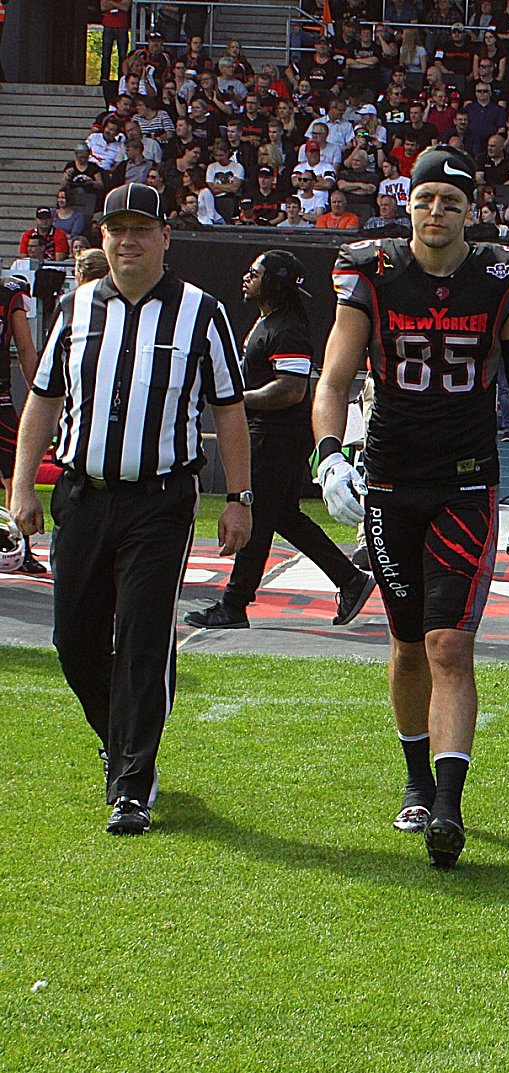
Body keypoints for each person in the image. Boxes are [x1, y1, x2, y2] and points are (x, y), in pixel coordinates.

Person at [313, 146, 509, 869]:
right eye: (425, 200)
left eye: (450, 201)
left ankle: (448, 802)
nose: (436, 211)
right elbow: (334, 377)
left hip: (466, 482)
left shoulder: (502, 279)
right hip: (390, 480)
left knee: (450, 642)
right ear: (408, 205)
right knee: (409, 641)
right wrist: (329, 453)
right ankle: (416, 779)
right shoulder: (374, 274)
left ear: (471, 211)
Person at [7, 182, 253, 836]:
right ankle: (119, 741)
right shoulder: (74, 307)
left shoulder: (202, 312)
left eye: (142, 228)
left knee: (143, 639)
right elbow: (43, 398)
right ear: (102, 238)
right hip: (83, 495)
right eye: (117, 229)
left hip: (159, 500)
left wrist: (239, 497)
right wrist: (22, 485)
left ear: (166, 236)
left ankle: (133, 785)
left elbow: (229, 409)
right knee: (73, 641)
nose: (129, 241)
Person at [184, 251, 375, 630]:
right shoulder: (269, 322)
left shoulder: (287, 329)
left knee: (255, 515)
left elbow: (291, 389)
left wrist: (234, 399)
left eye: (255, 273)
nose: (246, 278)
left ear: (273, 282)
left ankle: (234, 604)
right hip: (275, 433)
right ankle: (350, 580)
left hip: (277, 436)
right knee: (285, 516)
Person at [0, 274, 44, 574]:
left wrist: (40, 395)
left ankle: (19, 545)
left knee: (13, 476)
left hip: (1, 397)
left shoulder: (9, 293)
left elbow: (26, 349)